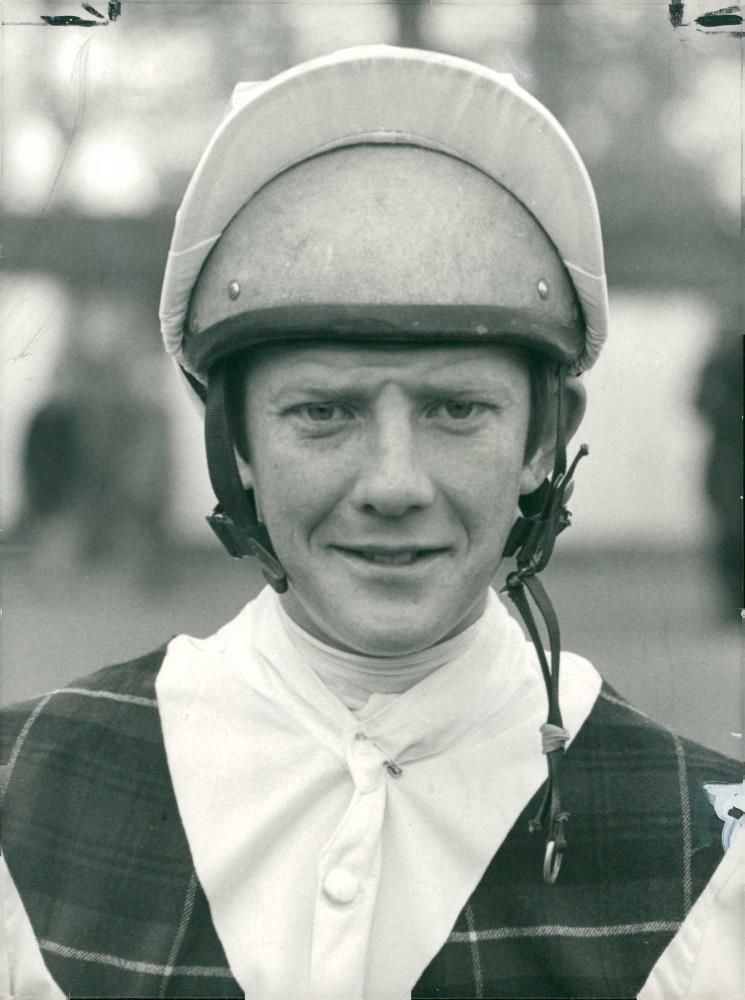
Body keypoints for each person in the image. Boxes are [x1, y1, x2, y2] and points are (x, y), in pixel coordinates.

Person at [1, 46, 742, 1000]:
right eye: (323, 411)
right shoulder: (27, 796)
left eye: (456, 410)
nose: (393, 484)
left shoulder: (705, 851)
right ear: (236, 450)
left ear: (544, 440)